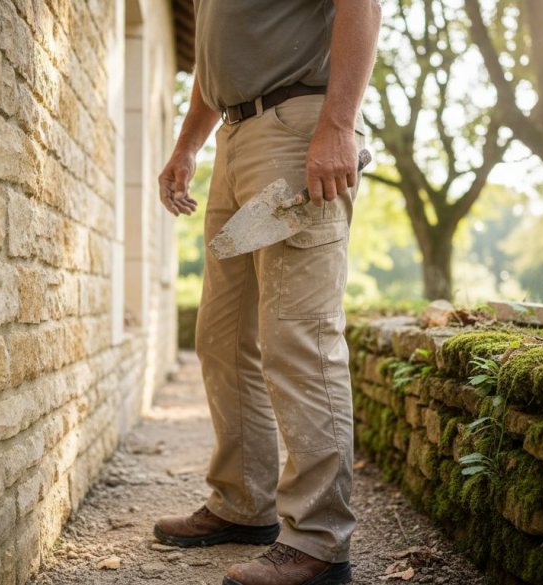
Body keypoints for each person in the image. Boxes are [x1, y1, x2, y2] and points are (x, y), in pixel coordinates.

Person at [154, 1, 381, 583]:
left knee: (298, 337)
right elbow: (214, 62)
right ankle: (242, 503)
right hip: (235, 138)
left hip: (299, 126)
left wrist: (338, 125)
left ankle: (318, 540)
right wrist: (188, 145)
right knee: (222, 338)